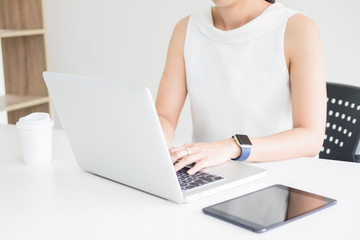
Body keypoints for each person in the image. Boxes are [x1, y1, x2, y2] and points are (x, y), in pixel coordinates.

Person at [155, 0, 326, 175]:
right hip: (206, 175)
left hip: (280, 179)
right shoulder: (187, 28)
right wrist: (152, 143)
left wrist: (233, 146)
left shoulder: (297, 28)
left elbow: (311, 138)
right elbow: (165, 117)